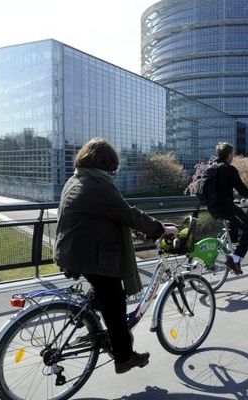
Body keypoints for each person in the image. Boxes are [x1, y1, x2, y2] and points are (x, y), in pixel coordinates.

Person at [54, 138, 177, 374]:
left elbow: (113, 213)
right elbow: (127, 214)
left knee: (104, 296)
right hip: (89, 256)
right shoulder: (99, 186)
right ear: (107, 164)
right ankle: (123, 356)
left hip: (72, 250)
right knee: (115, 304)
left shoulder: (77, 178)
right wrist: (160, 229)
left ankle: (98, 333)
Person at [207, 142, 248, 275]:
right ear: (229, 155)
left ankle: (230, 248)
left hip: (213, 207)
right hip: (226, 208)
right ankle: (235, 260)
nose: (232, 156)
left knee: (235, 223)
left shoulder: (212, 167)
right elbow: (242, 190)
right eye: (232, 154)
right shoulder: (229, 169)